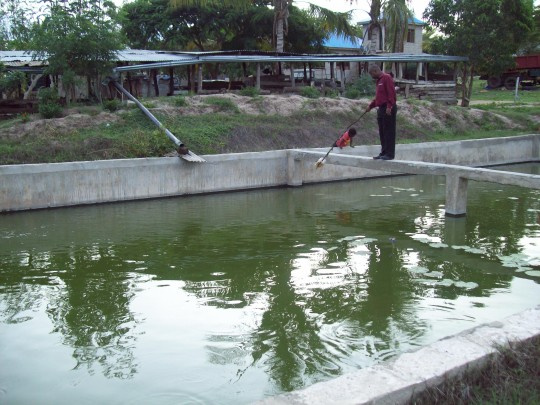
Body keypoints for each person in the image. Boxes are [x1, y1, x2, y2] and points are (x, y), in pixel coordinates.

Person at [366, 64, 397, 160]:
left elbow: (391, 94)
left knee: (389, 132)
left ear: (375, 71)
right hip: (381, 109)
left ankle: (390, 154)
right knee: (382, 132)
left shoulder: (386, 78)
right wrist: (370, 106)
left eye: (371, 74)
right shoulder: (378, 81)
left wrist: (389, 106)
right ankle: (383, 152)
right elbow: (379, 98)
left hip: (388, 109)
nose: (372, 76)